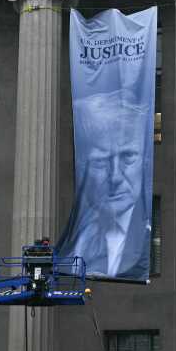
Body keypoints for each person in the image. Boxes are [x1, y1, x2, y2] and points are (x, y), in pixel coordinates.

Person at [57, 90, 152, 281]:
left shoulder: (146, 232)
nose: (115, 177)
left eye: (128, 157)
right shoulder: (78, 244)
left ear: (144, 159)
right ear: (83, 167)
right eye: (101, 161)